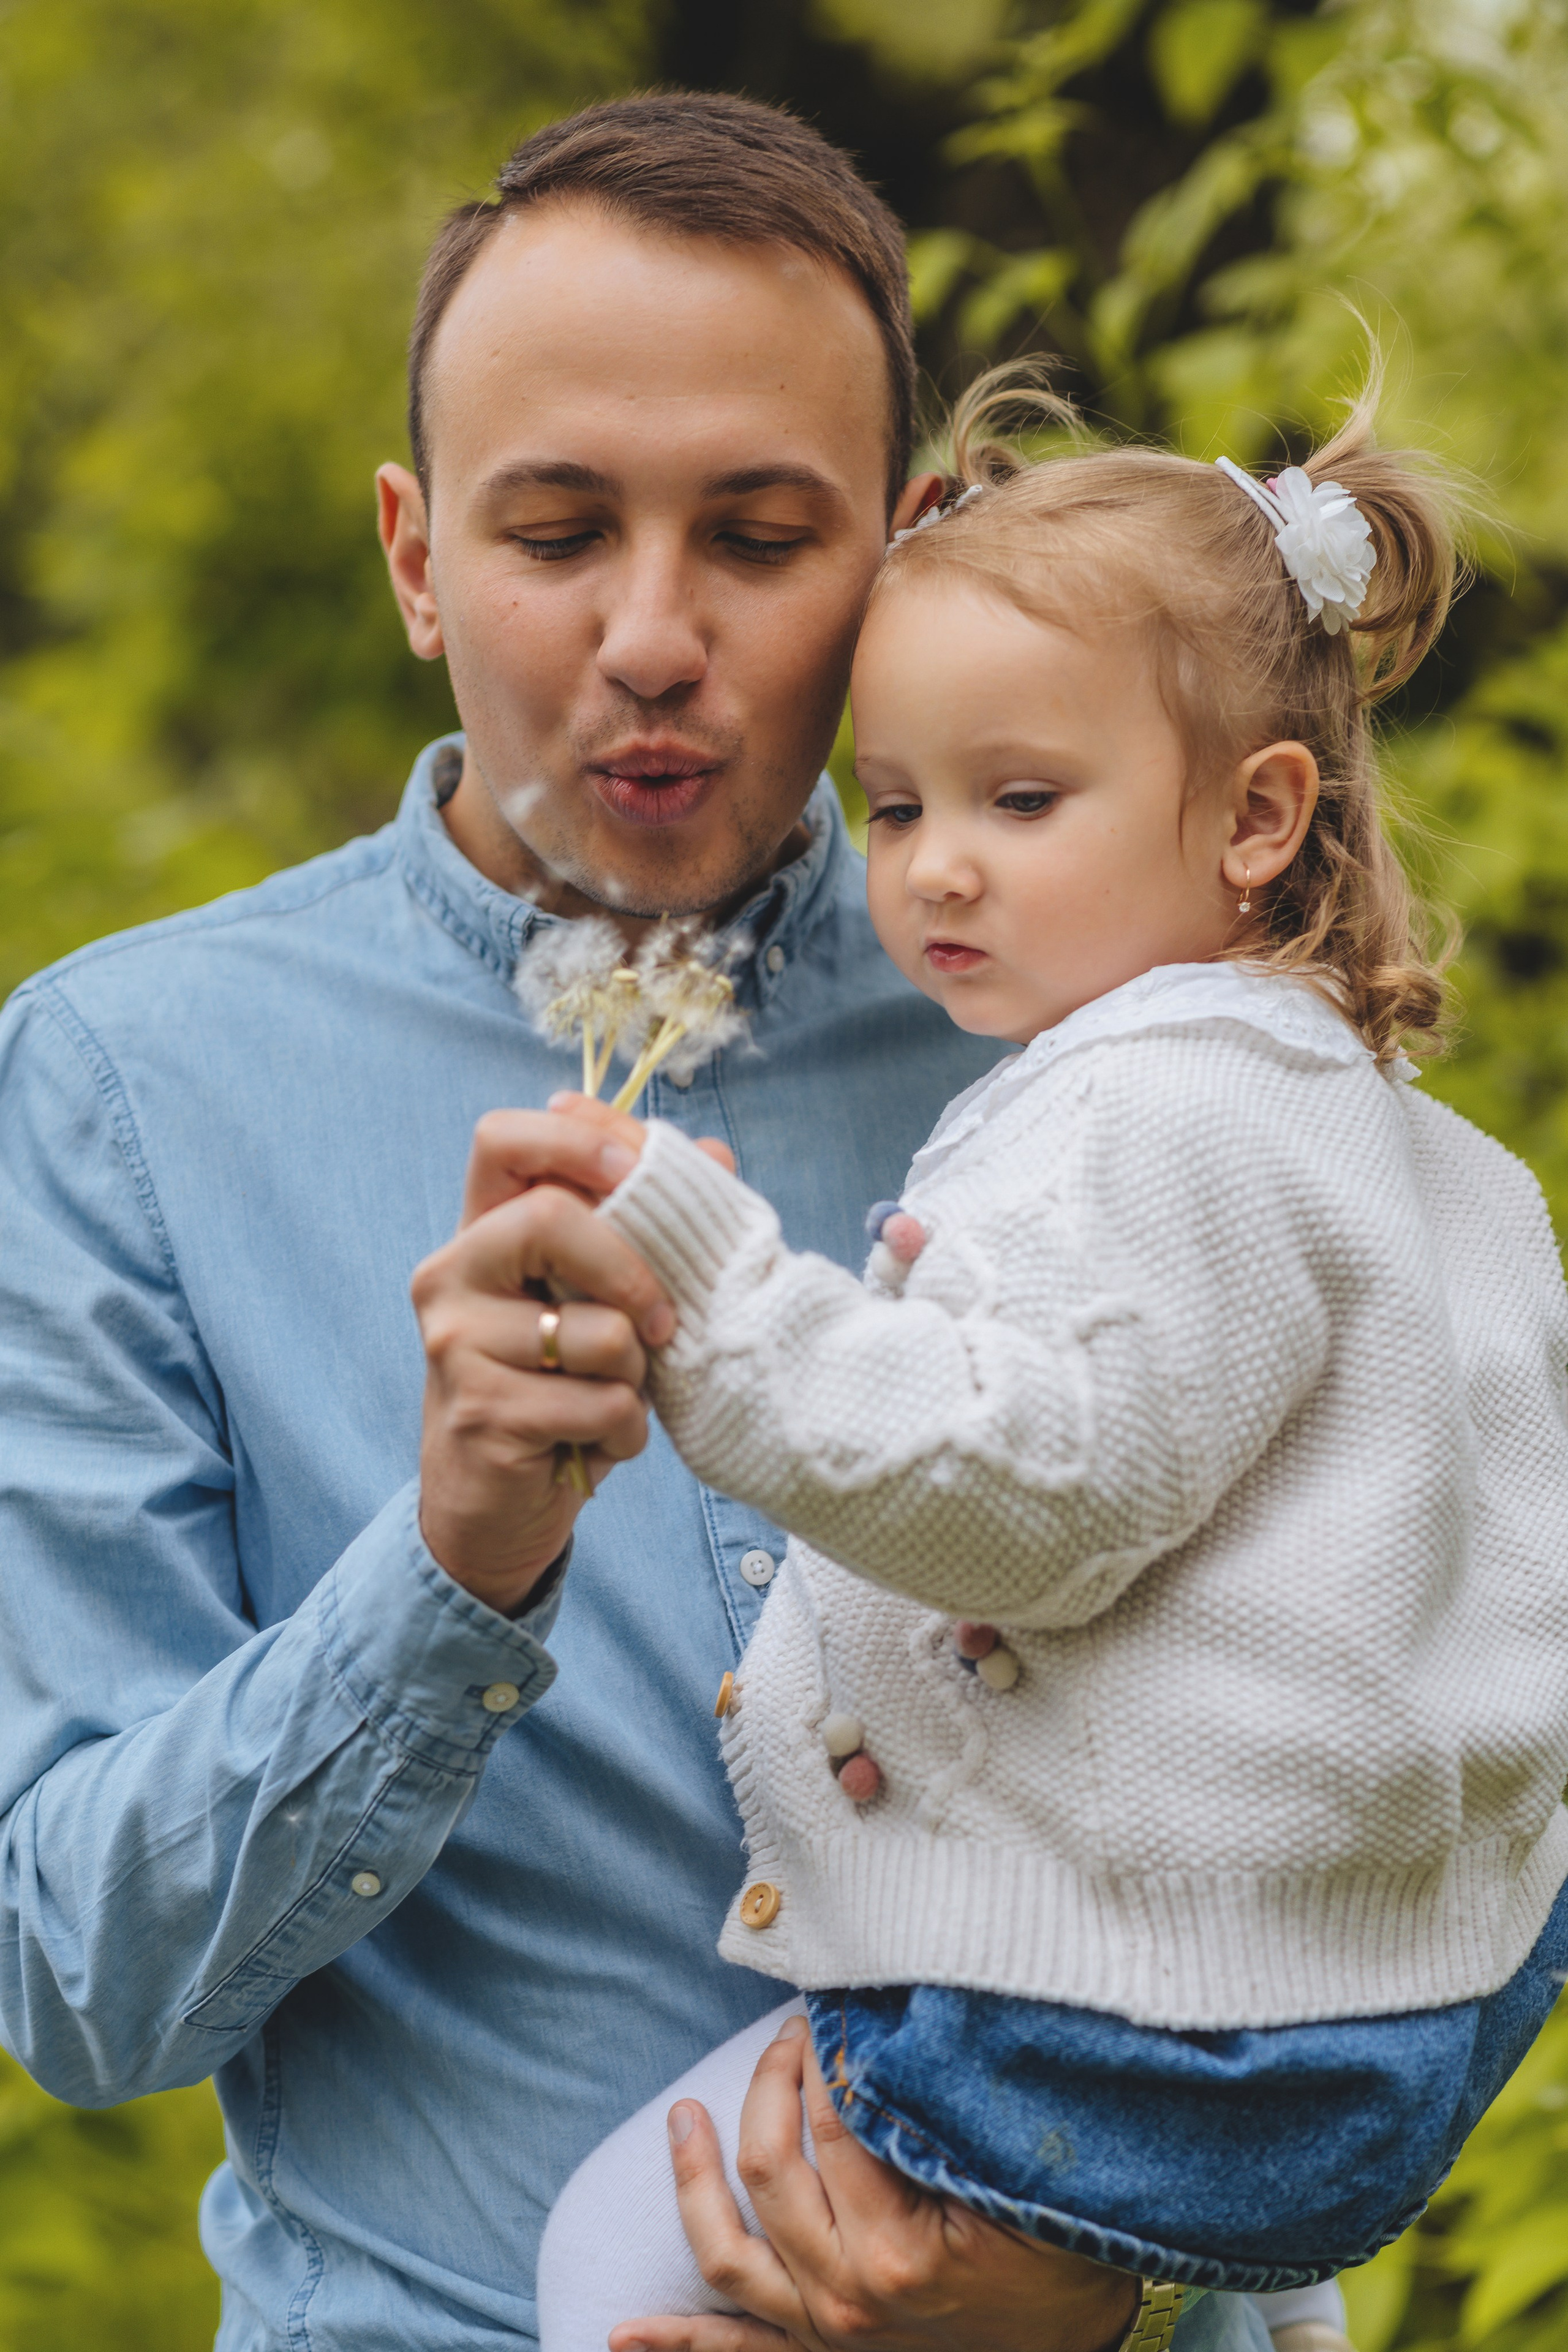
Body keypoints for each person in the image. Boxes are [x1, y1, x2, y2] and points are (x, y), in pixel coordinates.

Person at [0, 94, 1271, 2352]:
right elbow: (75, 1986)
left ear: (906, 553)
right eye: (558, 530)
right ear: (413, 557)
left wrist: (1077, 2281)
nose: (656, 636)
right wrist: (451, 1560)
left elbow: (1405, 1756)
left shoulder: (1115, 1031)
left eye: (763, 539)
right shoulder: (124, 1086)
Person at [526, 383, 1568, 2351]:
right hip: (1378, 2013)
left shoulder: (1149, 1115)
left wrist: (709, 1283)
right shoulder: (1409, 1144)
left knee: (608, 2268)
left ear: (1261, 814)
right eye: (899, 803)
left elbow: (1040, 1492)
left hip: (1109, 2046)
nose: (932, 870)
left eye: (1021, 802)